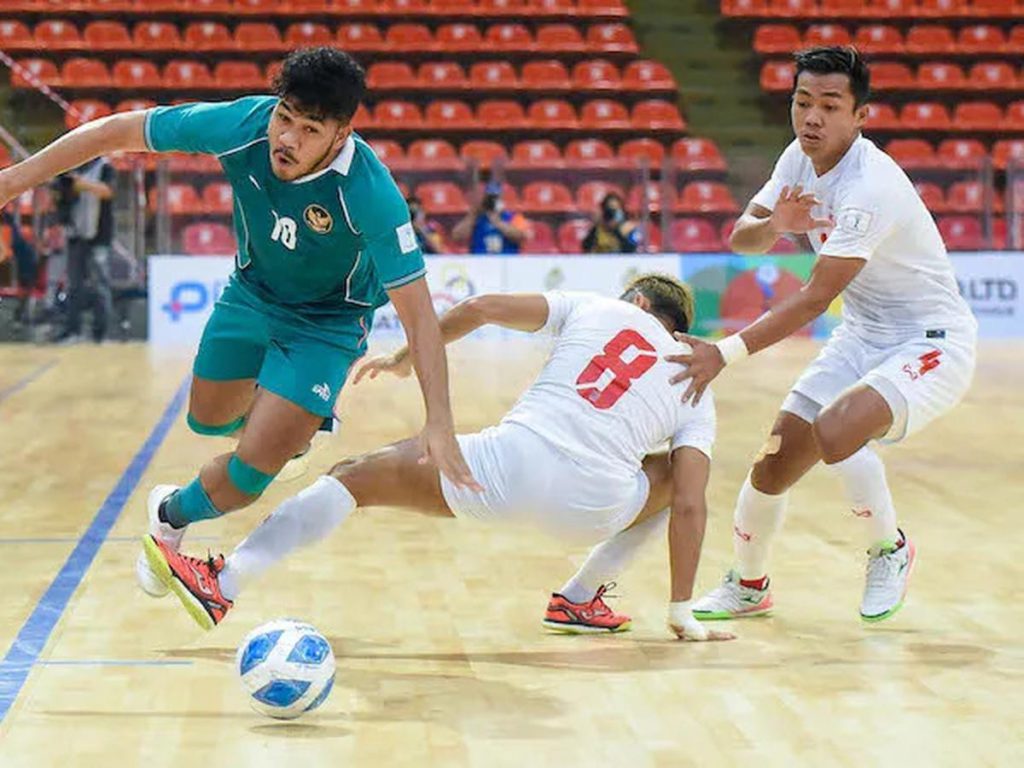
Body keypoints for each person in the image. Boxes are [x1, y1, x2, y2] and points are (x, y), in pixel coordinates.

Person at [0, 47, 479, 596]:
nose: (287, 139)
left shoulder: (371, 193)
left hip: (327, 323)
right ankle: (293, 429)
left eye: (309, 130)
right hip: (251, 294)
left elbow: (420, 318)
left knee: (250, 476)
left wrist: (439, 422)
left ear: (341, 135)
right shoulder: (243, 125)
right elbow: (116, 131)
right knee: (206, 420)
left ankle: (172, 515)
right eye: (285, 118)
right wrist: (13, 181)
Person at [144, 274, 733, 643]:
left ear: (636, 301)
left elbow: (480, 307)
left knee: (352, 480)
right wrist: (681, 609)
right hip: (595, 511)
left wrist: (405, 359)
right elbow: (690, 505)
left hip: (506, 468)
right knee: (669, 478)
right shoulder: (701, 388)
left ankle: (225, 582)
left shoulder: (599, 308)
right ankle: (580, 596)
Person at [667, 46, 977, 623]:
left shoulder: (871, 186)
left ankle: (889, 548)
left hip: (930, 340)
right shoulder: (798, 157)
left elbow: (815, 296)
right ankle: (749, 586)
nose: (812, 117)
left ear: (860, 116)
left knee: (836, 432)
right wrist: (774, 226)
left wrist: (724, 353)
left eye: (830, 106)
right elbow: (742, 238)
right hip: (861, 334)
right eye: (802, 102)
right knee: (772, 465)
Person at [54, 156, 115, 343]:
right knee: (74, 286)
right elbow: (59, 194)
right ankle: (73, 331)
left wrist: (82, 184)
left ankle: (101, 334)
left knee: (100, 286)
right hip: (75, 233)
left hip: (99, 235)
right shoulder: (70, 167)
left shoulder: (106, 167)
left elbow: (108, 192)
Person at [451, 180, 530, 255]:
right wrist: (472, 215)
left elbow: (521, 237)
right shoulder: (475, 218)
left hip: (506, 262)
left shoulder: (513, 217)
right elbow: (457, 238)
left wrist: (498, 222)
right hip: (480, 261)